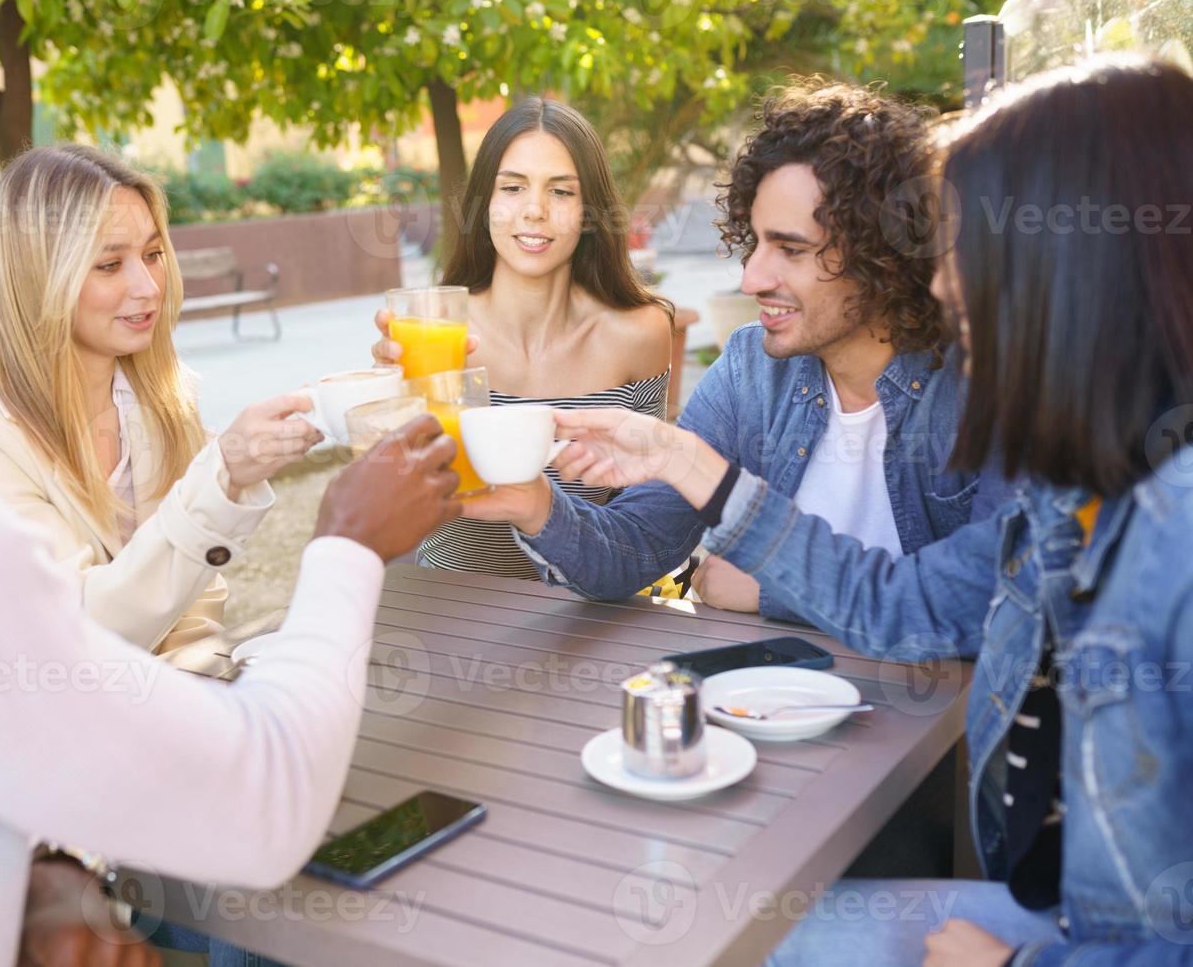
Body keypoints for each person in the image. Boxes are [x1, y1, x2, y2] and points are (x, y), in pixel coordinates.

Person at [0, 19, 461, 966]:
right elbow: (262, 799)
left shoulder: (153, 397)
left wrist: (34, 877)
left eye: (151, 253)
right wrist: (350, 539)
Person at [530, 57, 1193, 964]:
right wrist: (573, 489)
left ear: (1072, 270)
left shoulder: (1157, 524)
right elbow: (909, 603)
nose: (951, 285)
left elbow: (930, 626)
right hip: (1046, 899)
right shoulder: (1074, 496)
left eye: (975, 257)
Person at [466, 79, 996, 621]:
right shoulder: (753, 370)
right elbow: (632, 552)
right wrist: (537, 505)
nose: (752, 279)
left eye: (791, 249)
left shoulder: (981, 385)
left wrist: (774, 591)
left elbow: (985, 604)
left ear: (882, 253)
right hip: (766, 698)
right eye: (756, 242)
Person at [0, 145, 322, 655]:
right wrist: (221, 475)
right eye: (110, 264)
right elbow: (75, 636)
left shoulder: (159, 396)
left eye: (153, 255)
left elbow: (195, 609)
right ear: (38, 278)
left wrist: (214, 686)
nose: (148, 286)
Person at [372, 96, 675, 578]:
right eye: (512, 187)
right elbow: (395, 506)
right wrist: (389, 409)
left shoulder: (640, 334)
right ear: (483, 203)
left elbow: (643, 518)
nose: (534, 211)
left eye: (561, 192)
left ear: (590, 209)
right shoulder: (434, 337)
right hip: (450, 603)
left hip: (586, 611)